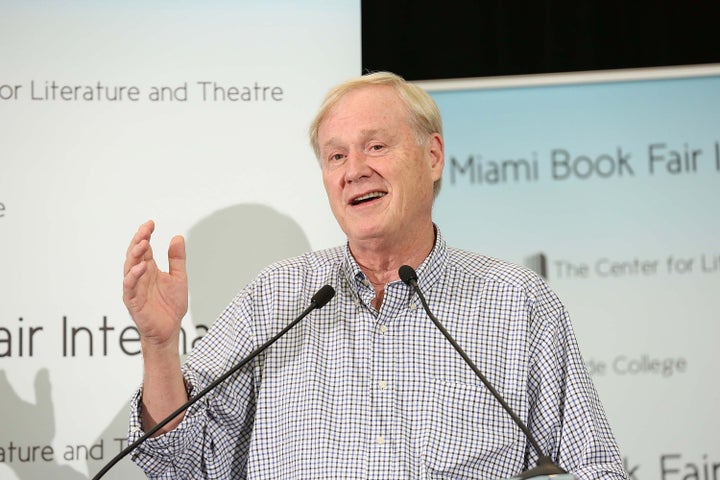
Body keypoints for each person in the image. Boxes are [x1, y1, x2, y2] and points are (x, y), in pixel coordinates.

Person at [123, 71, 628, 479]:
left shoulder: (518, 302)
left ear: (432, 156)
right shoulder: (275, 297)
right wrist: (159, 346)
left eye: (376, 147)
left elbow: (596, 468)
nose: (354, 170)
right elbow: (177, 461)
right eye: (336, 156)